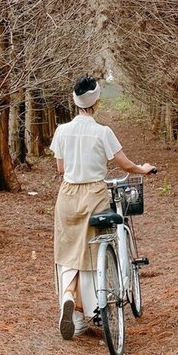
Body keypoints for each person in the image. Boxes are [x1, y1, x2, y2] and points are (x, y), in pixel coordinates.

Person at [49, 75, 156, 341]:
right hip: (93, 195)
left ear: (74, 101)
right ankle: (90, 310)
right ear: (96, 101)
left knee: (67, 253)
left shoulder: (61, 131)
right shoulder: (102, 132)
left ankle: (67, 297)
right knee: (90, 252)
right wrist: (142, 168)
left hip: (67, 195)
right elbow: (125, 165)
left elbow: (60, 169)